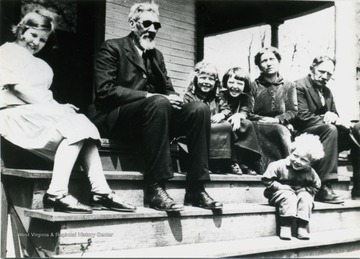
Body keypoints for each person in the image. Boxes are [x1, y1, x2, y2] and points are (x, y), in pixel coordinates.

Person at [0, 10, 136, 214]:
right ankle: (62, 193)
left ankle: (98, 191)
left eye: (43, 40)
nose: (36, 42)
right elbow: (19, 89)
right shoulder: (8, 51)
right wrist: (56, 108)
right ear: (22, 30)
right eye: (33, 35)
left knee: (82, 128)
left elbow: (42, 96)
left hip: (35, 116)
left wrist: (59, 107)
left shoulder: (42, 65)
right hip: (14, 115)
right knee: (78, 125)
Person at [90, 3, 222, 211]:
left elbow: (167, 89)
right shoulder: (112, 47)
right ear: (133, 24)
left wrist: (175, 98)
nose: (152, 29)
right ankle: (155, 187)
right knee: (159, 101)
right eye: (147, 23)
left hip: (154, 117)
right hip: (118, 119)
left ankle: (196, 188)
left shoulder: (156, 55)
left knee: (199, 109)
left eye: (156, 25)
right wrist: (152, 95)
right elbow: (105, 91)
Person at [294, 56, 360, 203]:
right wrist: (326, 116)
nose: (325, 77)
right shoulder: (299, 86)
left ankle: (358, 188)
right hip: (304, 133)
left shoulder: (327, 91)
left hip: (327, 134)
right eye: (322, 71)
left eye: (329, 74)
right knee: (331, 129)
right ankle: (323, 186)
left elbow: (335, 115)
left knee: (358, 129)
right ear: (312, 68)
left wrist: (334, 116)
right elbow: (302, 117)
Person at [262, 134, 324, 240]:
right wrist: (280, 186)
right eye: (295, 155)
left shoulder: (311, 172)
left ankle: (302, 226)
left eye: (303, 160)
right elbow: (266, 179)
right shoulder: (278, 165)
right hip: (278, 194)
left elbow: (316, 186)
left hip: (299, 194)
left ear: (311, 162)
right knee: (288, 196)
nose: (297, 161)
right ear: (291, 152)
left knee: (306, 197)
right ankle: (285, 225)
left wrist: (305, 190)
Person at [249, 47, 298, 174]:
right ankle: (265, 171)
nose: (269, 63)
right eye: (264, 61)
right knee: (278, 130)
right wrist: (264, 120)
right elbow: (248, 111)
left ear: (278, 62)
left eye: (272, 59)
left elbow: (292, 111)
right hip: (258, 125)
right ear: (259, 66)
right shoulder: (253, 86)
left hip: (280, 123)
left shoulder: (288, 85)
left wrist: (278, 120)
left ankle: (287, 171)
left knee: (282, 130)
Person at [183, 61, 233, 174]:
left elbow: (226, 109)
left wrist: (222, 114)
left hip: (217, 129)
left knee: (226, 125)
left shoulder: (218, 97)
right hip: (197, 131)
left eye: (210, 79)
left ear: (215, 82)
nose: (206, 82)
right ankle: (206, 164)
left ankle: (221, 163)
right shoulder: (189, 96)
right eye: (203, 78)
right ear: (196, 79)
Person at [221, 67, 262, 174]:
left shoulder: (246, 97)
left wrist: (239, 115)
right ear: (226, 83)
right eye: (231, 82)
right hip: (223, 120)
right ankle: (233, 162)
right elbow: (222, 107)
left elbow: (246, 110)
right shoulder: (222, 95)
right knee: (229, 127)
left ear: (245, 86)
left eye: (239, 84)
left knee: (247, 124)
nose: (235, 86)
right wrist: (230, 115)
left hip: (238, 121)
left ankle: (246, 161)